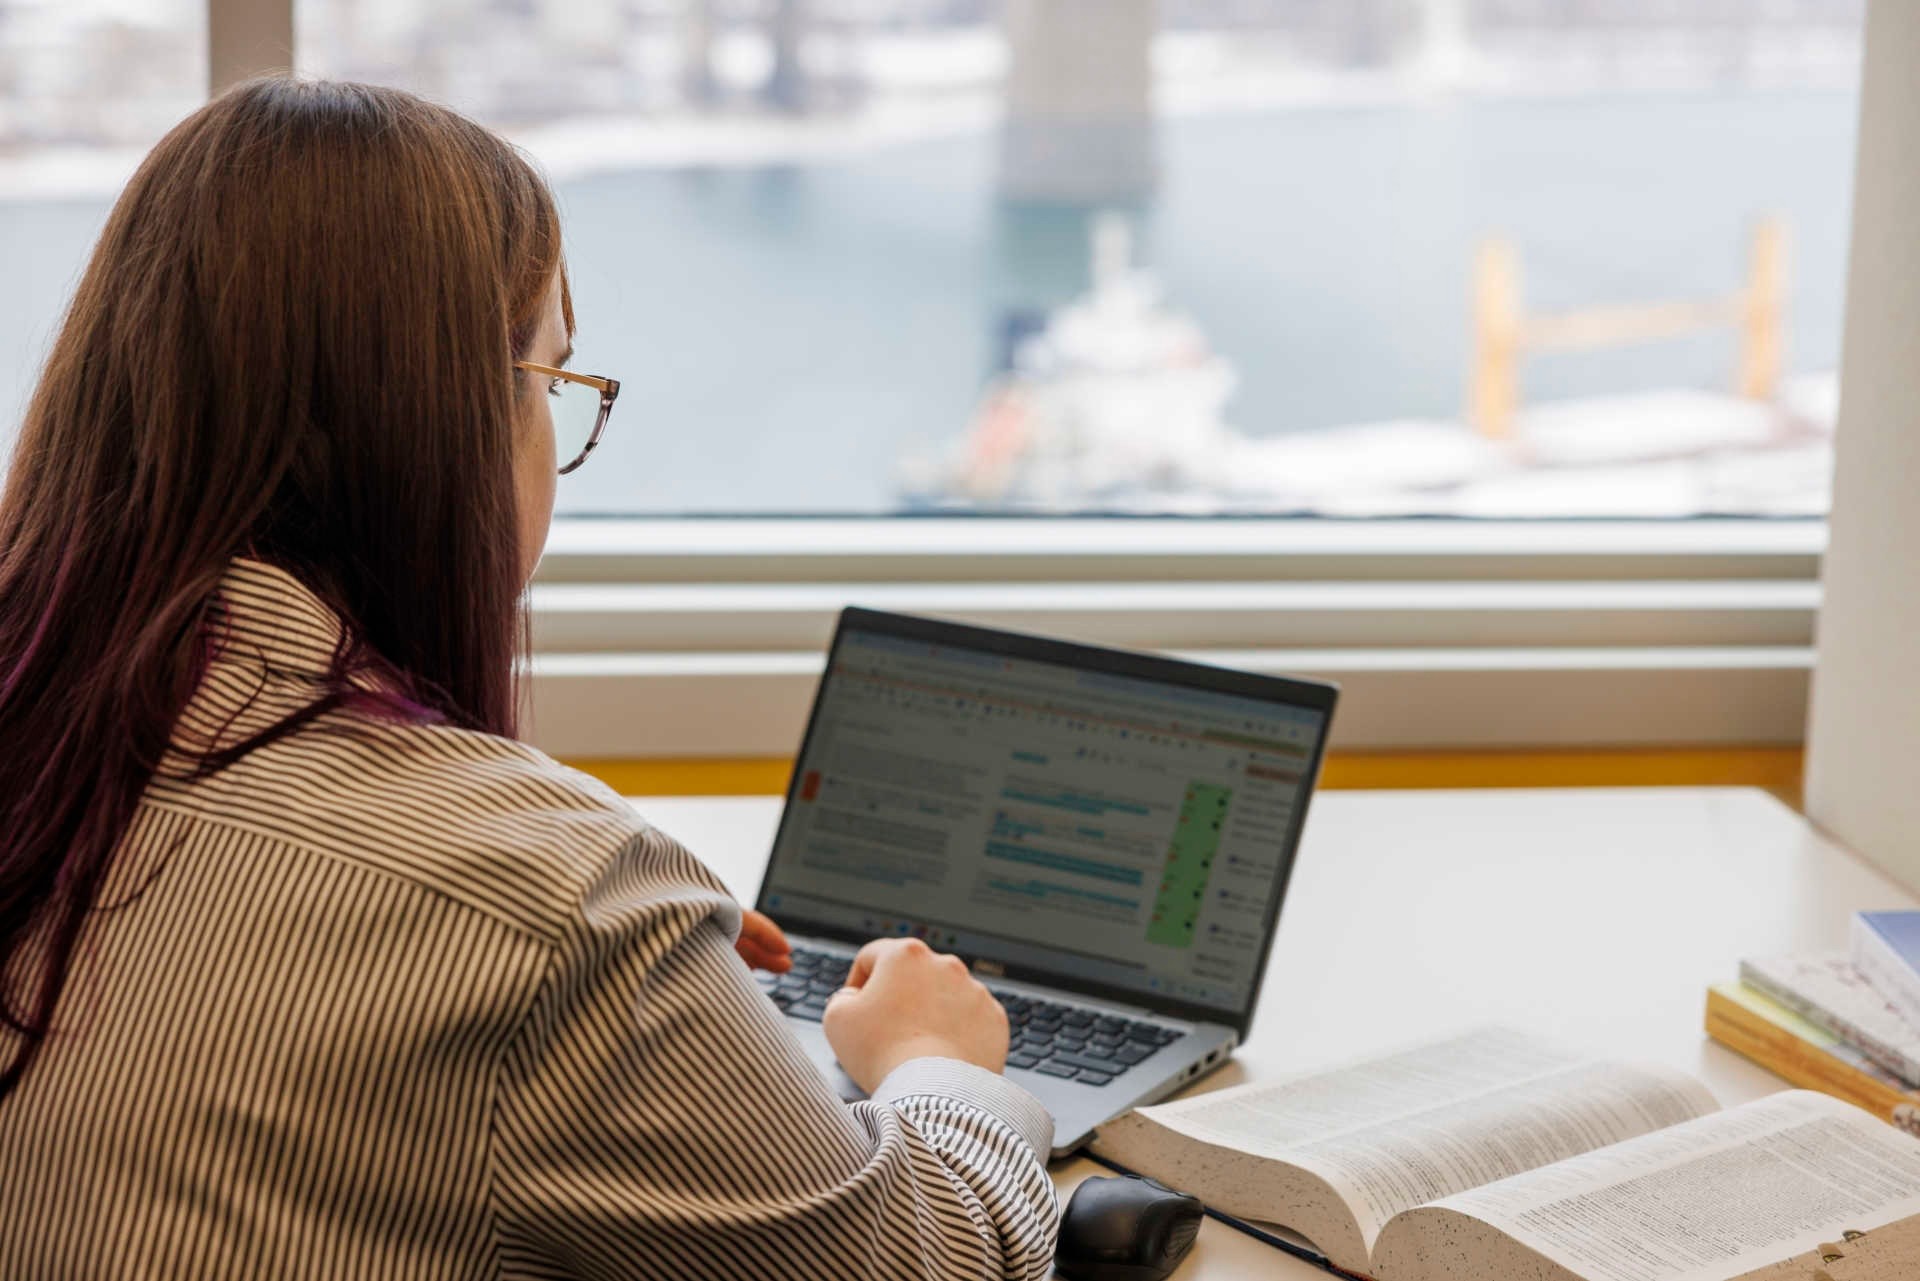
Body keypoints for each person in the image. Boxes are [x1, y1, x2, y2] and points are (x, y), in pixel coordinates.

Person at [0, 78, 1058, 1278]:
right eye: (554, 380)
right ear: (447, 420)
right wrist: (937, 1062)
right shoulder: (549, 904)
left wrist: (638, 955)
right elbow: (925, 1261)